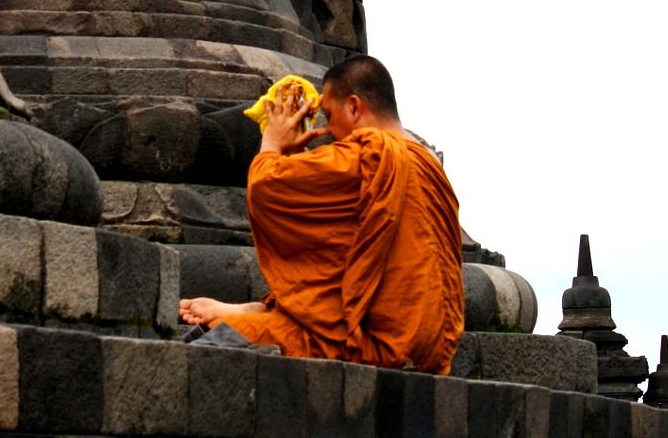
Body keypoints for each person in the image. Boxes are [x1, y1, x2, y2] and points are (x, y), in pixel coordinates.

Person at [179, 54, 465, 372]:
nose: (326, 130)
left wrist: (272, 143)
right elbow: (347, 260)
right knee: (252, 322)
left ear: (354, 107)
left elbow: (267, 187)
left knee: (213, 341)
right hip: (433, 353)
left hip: (375, 348)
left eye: (328, 114)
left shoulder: (373, 152)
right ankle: (256, 309)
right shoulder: (431, 168)